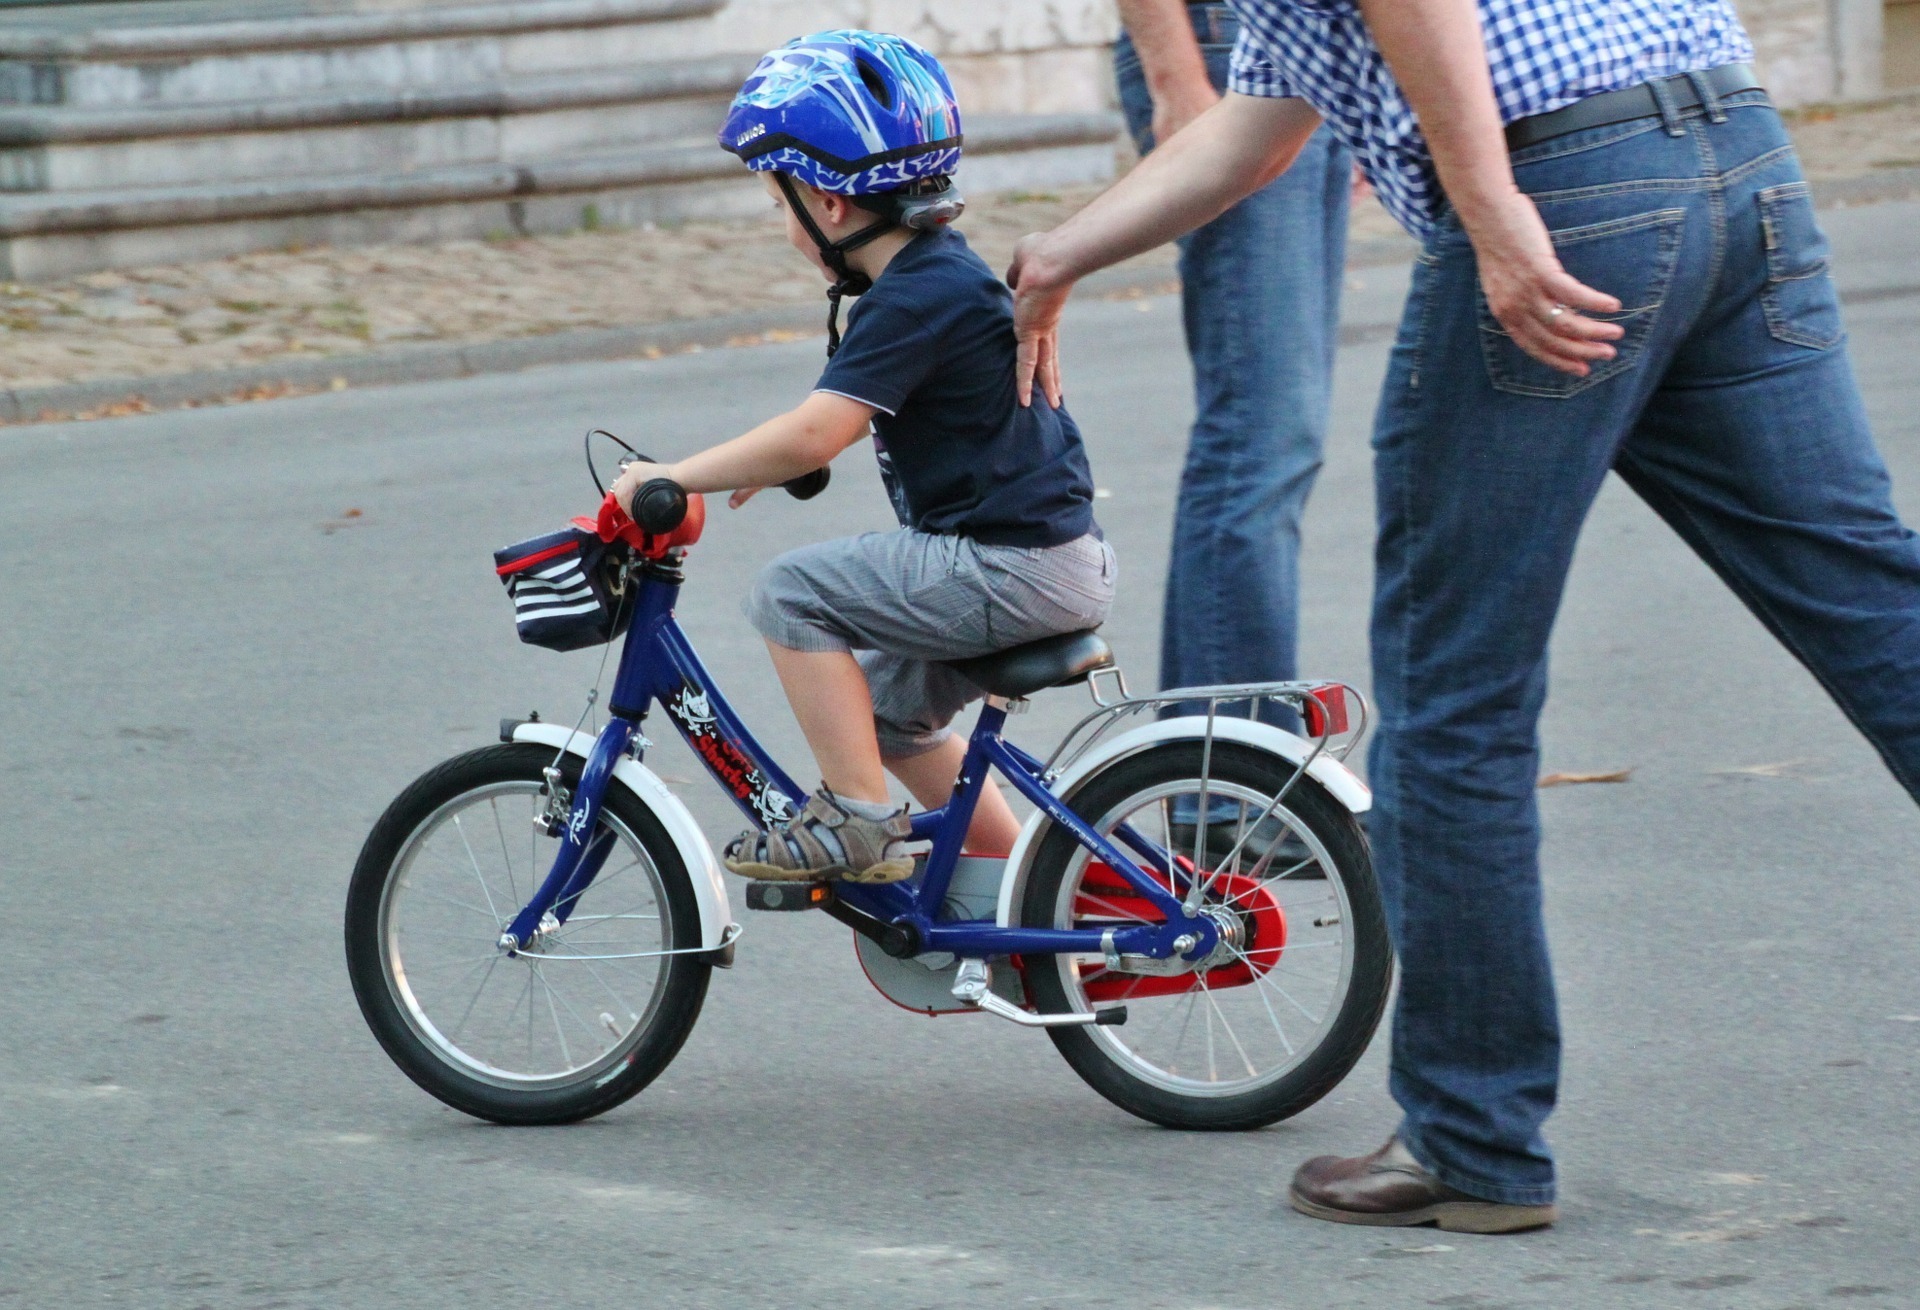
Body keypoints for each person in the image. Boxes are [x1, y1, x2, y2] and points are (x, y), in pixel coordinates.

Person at [1004, 0, 1920, 1234]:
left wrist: (1488, 213)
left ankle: (1472, 1134)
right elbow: (1259, 135)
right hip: (1733, 152)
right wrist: (1061, 252)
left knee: (1455, 692)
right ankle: (1471, 1126)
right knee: (1870, 601)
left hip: (1558, 182)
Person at [612, 30, 1116, 885]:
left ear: (828, 204)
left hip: (1009, 566)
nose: (785, 223)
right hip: (1046, 559)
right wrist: (767, 463)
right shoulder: (932, 280)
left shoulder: (915, 298)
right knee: (886, 717)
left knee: (790, 591)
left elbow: (818, 432)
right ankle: (1020, 884)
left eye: (781, 203)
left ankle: (855, 818)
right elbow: (833, 425)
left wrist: (672, 475)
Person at [1115, 0, 1350, 864]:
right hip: (1222, 52)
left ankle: (1230, 783)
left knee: (1278, 440)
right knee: (1260, 435)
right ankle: (1227, 796)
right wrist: (1174, 74)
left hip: (1306, 59)